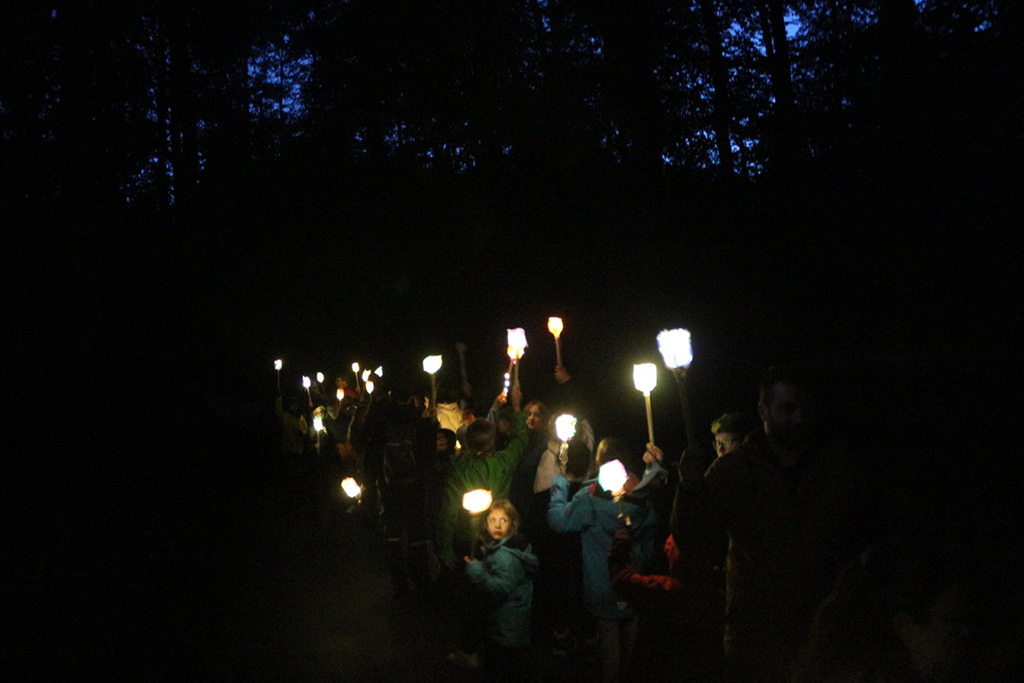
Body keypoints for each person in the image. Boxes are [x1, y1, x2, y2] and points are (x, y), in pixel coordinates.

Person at [698, 364, 866, 682]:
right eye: (787, 409)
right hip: (756, 641)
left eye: (805, 408)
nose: (799, 418)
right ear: (764, 410)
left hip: (825, 635)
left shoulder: (835, 467)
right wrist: (689, 490)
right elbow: (696, 539)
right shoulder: (732, 472)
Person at [548, 437, 658, 682]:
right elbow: (650, 539)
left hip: (603, 584)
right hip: (634, 580)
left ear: (598, 462)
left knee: (609, 648)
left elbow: (560, 522)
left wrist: (559, 485)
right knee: (631, 646)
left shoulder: (589, 497)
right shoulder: (642, 493)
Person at [464, 499, 539, 681]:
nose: (497, 525)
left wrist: (478, 573)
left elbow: (500, 589)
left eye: (503, 520)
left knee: (501, 670)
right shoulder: (509, 547)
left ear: (513, 524)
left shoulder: (505, 556)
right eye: (493, 520)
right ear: (486, 523)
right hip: (513, 626)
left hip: (506, 627)